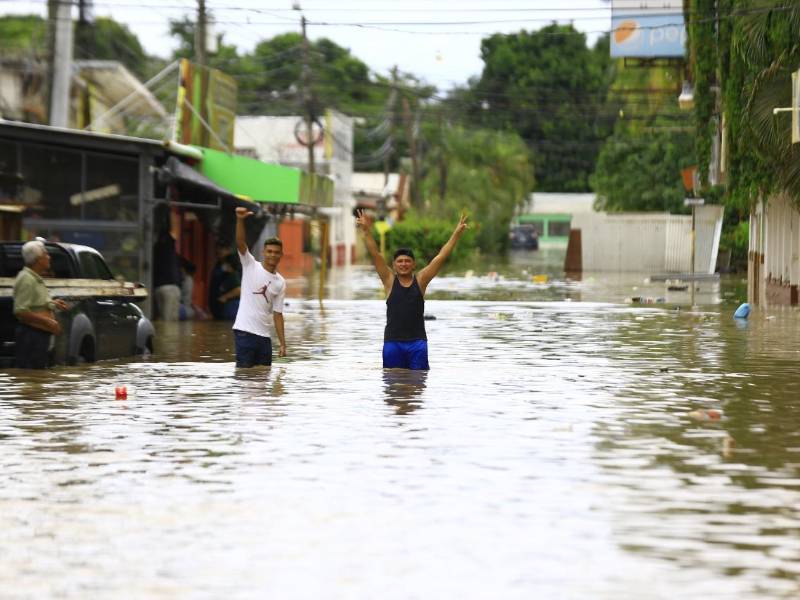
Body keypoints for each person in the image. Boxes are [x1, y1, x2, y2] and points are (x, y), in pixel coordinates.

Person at [355, 209, 469, 370]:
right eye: (400, 261)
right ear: (394, 265)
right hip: (392, 343)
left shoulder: (421, 280)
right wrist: (366, 231)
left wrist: (456, 233)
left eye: (407, 261)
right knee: (393, 388)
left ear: (414, 264)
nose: (403, 264)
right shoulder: (389, 280)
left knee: (418, 385)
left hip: (417, 343)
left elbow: (441, 257)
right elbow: (375, 254)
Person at [231, 206, 287, 367]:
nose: (273, 255)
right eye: (269, 251)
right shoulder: (250, 265)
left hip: (264, 337)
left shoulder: (280, 282)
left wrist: (283, 343)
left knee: (264, 378)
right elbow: (240, 242)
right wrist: (240, 220)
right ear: (263, 252)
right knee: (245, 377)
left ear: (281, 255)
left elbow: (278, 315)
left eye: (276, 252)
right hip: (244, 332)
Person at [13, 240, 68, 369]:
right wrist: (47, 321)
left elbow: (36, 304)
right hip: (31, 336)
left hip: (39, 335)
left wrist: (53, 304)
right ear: (38, 259)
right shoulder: (26, 279)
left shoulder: (35, 278)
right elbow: (20, 311)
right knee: (29, 377)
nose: (49, 257)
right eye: (46, 254)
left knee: (38, 377)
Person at [152, 229, 182, 321]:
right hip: (175, 288)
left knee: (165, 320)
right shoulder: (174, 254)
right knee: (173, 321)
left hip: (161, 287)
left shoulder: (155, 251)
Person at [208, 242, 234, 320]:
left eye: (223, 249)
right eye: (219, 249)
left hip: (228, 306)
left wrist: (225, 297)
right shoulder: (218, 264)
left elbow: (239, 289)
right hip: (217, 305)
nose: (219, 251)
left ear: (229, 250)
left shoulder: (233, 264)